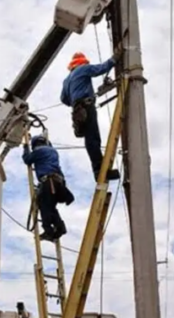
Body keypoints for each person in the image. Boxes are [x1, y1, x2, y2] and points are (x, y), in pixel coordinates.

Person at [60, 48, 123, 181]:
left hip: (77, 110)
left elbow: (63, 99)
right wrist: (114, 59)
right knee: (93, 138)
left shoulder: (66, 81)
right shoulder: (83, 68)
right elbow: (100, 69)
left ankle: (97, 170)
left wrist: (74, 101)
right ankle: (100, 170)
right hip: (86, 107)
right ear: (82, 62)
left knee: (89, 139)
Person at [22, 134, 74, 242]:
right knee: (51, 207)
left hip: (49, 181)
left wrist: (25, 147)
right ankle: (59, 227)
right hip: (58, 183)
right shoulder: (53, 151)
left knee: (44, 206)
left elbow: (27, 159)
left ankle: (49, 231)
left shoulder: (39, 151)